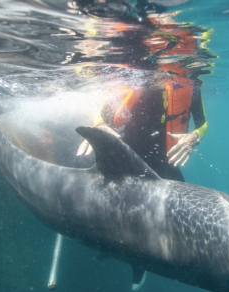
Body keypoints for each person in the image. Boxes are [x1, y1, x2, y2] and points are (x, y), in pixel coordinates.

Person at [74, 0, 209, 182]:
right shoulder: (137, 84)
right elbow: (103, 115)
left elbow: (203, 123)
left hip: (167, 160)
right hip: (130, 157)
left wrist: (194, 137)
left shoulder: (189, 86)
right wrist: (101, 128)